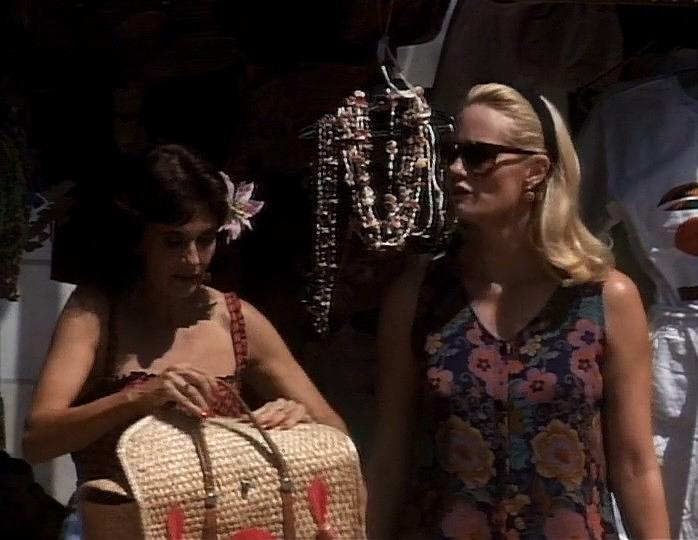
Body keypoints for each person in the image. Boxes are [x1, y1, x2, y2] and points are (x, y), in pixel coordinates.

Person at [367, 83, 670, 539]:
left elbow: (634, 464)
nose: (455, 169)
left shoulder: (605, 298)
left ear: (536, 171)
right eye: (451, 152)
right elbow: (390, 457)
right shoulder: (419, 297)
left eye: (479, 156)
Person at [22, 144, 347, 532]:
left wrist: (298, 420)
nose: (192, 259)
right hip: (116, 527)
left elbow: (337, 435)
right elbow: (38, 441)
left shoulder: (236, 320)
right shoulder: (97, 311)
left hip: (218, 528)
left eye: (205, 240)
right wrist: (137, 398)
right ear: (138, 240)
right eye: (173, 242)